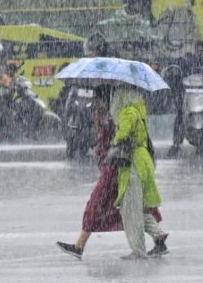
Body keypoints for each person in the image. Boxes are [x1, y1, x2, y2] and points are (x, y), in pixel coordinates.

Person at [56, 86, 166, 260]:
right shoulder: (123, 113)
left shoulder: (118, 116)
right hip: (120, 166)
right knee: (130, 209)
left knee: (98, 205)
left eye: (98, 99)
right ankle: (158, 236)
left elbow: (116, 139)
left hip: (117, 168)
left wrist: (106, 132)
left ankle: (80, 245)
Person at [110, 86, 168, 259]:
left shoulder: (128, 112)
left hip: (133, 163)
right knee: (136, 208)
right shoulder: (139, 110)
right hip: (143, 160)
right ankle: (157, 234)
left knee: (130, 210)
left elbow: (122, 136)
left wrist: (116, 134)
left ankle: (138, 250)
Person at [168, 40, 203, 156]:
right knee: (180, 114)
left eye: (202, 50)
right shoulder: (187, 63)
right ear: (195, 50)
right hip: (189, 94)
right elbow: (179, 74)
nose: (200, 53)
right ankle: (176, 144)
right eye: (198, 50)